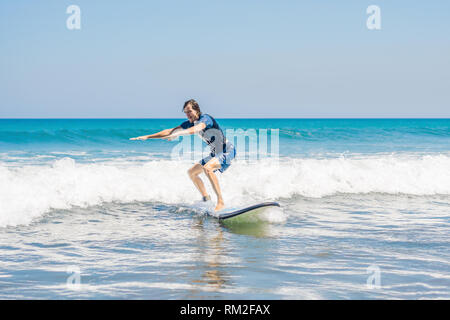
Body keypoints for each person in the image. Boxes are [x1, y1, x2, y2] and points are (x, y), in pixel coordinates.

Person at [130, 99, 236, 211]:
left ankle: (221, 202)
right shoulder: (189, 123)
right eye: (185, 112)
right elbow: (170, 131)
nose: (187, 114)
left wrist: (180, 133)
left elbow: (197, 128)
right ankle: (206, 199)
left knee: (208, 169)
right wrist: (148, 136)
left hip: (227, 150)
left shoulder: (205, 118)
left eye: (189, 111)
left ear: (197, 110)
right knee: (192, 173)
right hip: (214, 154)